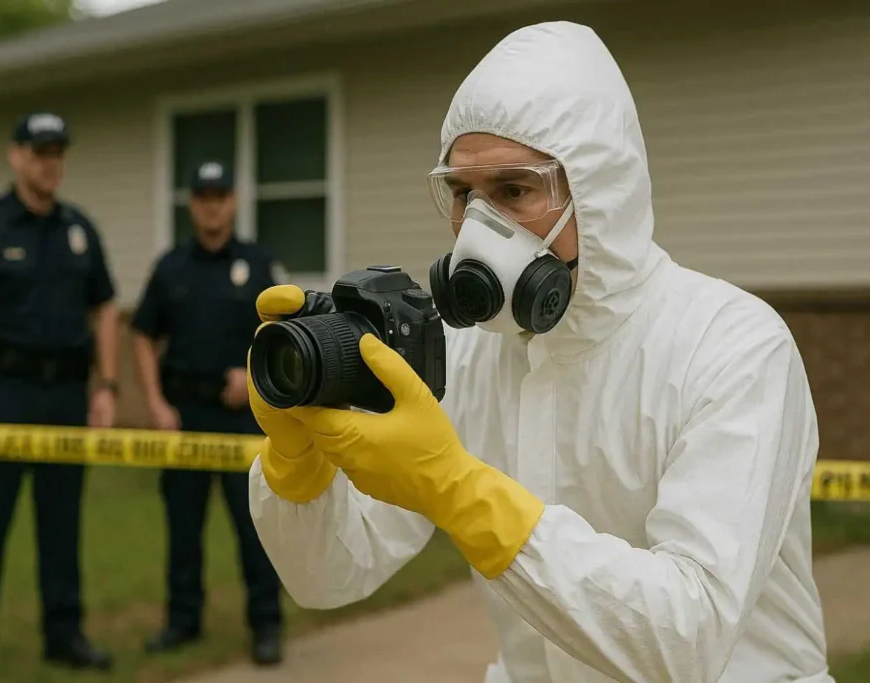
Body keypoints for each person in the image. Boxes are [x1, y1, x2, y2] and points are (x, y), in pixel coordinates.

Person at [246, 22, 835, 683]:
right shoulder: (473, 354)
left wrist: (463, 493)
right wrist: (302, 468)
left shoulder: (731, 346)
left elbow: (686, 636)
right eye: (464, 193)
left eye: (514, 191)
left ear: (600, 190)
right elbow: (331, 575)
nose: (479, 227)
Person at [0, 112, 119, 683]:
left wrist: (105, 388)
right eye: (40, 151)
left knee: (61, 528)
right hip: (3, 395)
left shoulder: (80, 230)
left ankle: (64, 636)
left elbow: (106, 307)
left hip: (66, 394)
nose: (50, 162)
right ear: (15, 156)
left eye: (58, 151)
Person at [131, 160, 286, 665]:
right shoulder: (170, 267)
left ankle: (266, 625)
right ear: (192, 203)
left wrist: (253, 376)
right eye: (204, 196)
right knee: (182, 528)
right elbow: (141, 334)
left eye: (221, 195)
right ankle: (183, 622)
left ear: (234, 201)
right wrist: (155, 403)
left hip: (242, 419)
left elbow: (283, 335)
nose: (212, 205)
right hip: (183, 414)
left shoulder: (259, 265)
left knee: (253, 525)